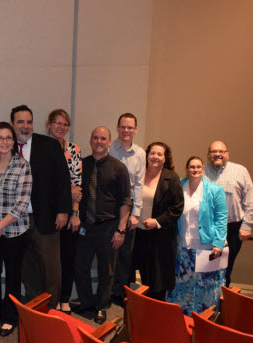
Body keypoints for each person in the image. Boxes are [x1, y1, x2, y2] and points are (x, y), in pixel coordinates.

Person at [11, 105, 71, 309]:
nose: (25, 126)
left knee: (50, 267)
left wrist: (64, 210)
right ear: (12, 124)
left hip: (45, 217)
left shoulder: (49, 145)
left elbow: (63, 179)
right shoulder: (6, 145)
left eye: (29, 122)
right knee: (28, 266)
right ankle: (34, 307)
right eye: (20, 122)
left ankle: (52, 309)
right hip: (17, 219)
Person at [74, 126, 131, 324]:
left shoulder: (119, 168)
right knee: (80, 267)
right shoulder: (81, 165)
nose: (99, 141)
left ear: (109, 141)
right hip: (85, 226)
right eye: (95, 138)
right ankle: (87, 303)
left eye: (103, 139)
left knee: (107, 271)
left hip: (108, 226)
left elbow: (125, 201)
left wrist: (121, 230)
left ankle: (101, 306)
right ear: (90, 140)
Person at [0, 122, 32, 337]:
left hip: (15, 232)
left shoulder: (23, 166)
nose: (4, 142)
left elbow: (22, 204)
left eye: (8, 138)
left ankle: (10, 317)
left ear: (13, 141)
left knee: (12, 275)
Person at [167, 156, 227, 316]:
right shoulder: (179, 185)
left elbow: (221, 218)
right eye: (192, 167)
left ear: (202, 169)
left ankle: (204, 321)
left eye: (198, 167)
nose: (195, 169)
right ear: (187, 168)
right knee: (182, 286)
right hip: (183, 246)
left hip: (207, 247)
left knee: (206, 286)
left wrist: (218, 244)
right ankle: (181, 319)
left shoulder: (215, 190)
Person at [133, 142, 183, 301]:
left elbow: (177, 208)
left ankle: (155, 310)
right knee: (134, 273)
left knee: (156, 279)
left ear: (165, 158)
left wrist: (157, 221)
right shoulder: (138, 173)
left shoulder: (172, 178)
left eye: (159, 154)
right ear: (147, 155)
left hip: (160, 236)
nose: (155, 157)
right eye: (152, 153)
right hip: (136, 233)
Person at [203, 141, 253, 287]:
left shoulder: (240, 171)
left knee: (226, 268)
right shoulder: (201, 170)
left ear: (227, 154)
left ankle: (222, 304)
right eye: (214, 151)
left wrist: (247, 225)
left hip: (232, 229)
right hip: (208, 229)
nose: (217, 154)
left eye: (221, 151)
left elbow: (250, 199)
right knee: (206, 267)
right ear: (208, 154)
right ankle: (206, 304)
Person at [45, 109, 82, 314]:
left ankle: (65, 297)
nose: (61, 127)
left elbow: (77, 185)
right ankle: (52, 298)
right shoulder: (41, 147)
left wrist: (75, 214)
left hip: (69, 213)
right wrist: (66, 189)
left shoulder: (74, 149)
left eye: (65, 124)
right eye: (57, 123)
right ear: (49, 124)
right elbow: (44, 183)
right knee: (50, 260)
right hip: (47, 213)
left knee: (67, 257)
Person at [109, 113, 146, 306]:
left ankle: (119, 293)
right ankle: (105, 293)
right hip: (109, 207)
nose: (126, 131)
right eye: (123, 127)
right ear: (117, 127)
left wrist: (136, 213)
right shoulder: (109, 148)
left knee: (124, 254)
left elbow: (138, 184)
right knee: (108, 252)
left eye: (130, 127)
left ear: (135, 130)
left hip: (129, 207)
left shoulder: (140, 153)